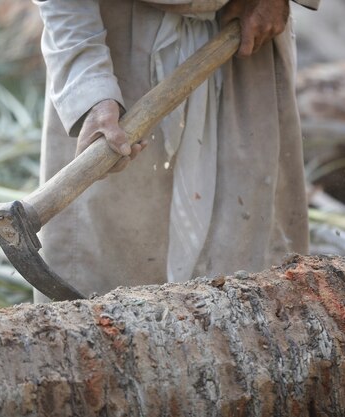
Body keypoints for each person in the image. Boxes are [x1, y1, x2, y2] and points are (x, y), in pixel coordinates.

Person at [33, 0, 320, 302]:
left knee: (250, 282)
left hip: (244, 31)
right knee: (102, 284)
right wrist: (90, 88)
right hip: (115, 54)